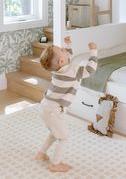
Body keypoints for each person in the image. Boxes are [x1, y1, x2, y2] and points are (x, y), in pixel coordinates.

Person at [35, 36, 98, 173]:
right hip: (53, 110)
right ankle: (55, 164)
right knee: (63, 138)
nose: (66, 50)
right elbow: (90, 69)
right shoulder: (72, 71)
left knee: (54, 133)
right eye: (62, 49)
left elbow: (67, 56)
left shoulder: (57, 69)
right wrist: (93, 51)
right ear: (61, 61)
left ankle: (41, 153)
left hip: (46, 106)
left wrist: (68, 43)